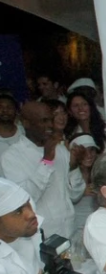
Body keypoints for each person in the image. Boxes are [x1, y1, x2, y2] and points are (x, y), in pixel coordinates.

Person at [1, 102, 86, 238]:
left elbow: (75, 196)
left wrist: (74, 167)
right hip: (40, 235)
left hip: (69, 229)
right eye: (44, 121)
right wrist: (46, 161)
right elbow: (26, 199)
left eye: (51, 120)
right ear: (26, 123)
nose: (50, 125)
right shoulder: (11, 157)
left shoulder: (60, 149)